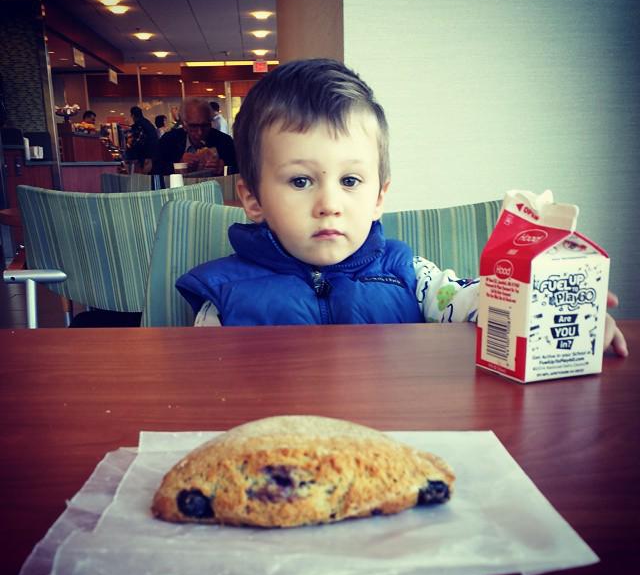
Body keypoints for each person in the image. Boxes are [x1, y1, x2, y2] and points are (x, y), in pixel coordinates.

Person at [175, 59, 627, 357]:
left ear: (378, 198)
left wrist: (540, 306)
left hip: (391, 446)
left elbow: (472, 301)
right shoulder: (224, 295)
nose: (329, 204)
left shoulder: (411, 275)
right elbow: (206, 392)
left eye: (350, 181)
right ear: (252, 198)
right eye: (300, 180)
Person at [152, 98, 238, 176]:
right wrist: (178, 165)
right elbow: (155, 171)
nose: (200, 132)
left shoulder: (224, 141)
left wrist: (224, 168)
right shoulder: (169, 141)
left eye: (205, 125)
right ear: (184, 124)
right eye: (193, 126)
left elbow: (240, 170)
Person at [126, 106, 158, 173]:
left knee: (143, 169)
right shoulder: (146, 122)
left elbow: (137, 140)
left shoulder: (138, 124)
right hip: (153, 151)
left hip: (146, 152)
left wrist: (129, 145)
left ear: (133, 115)